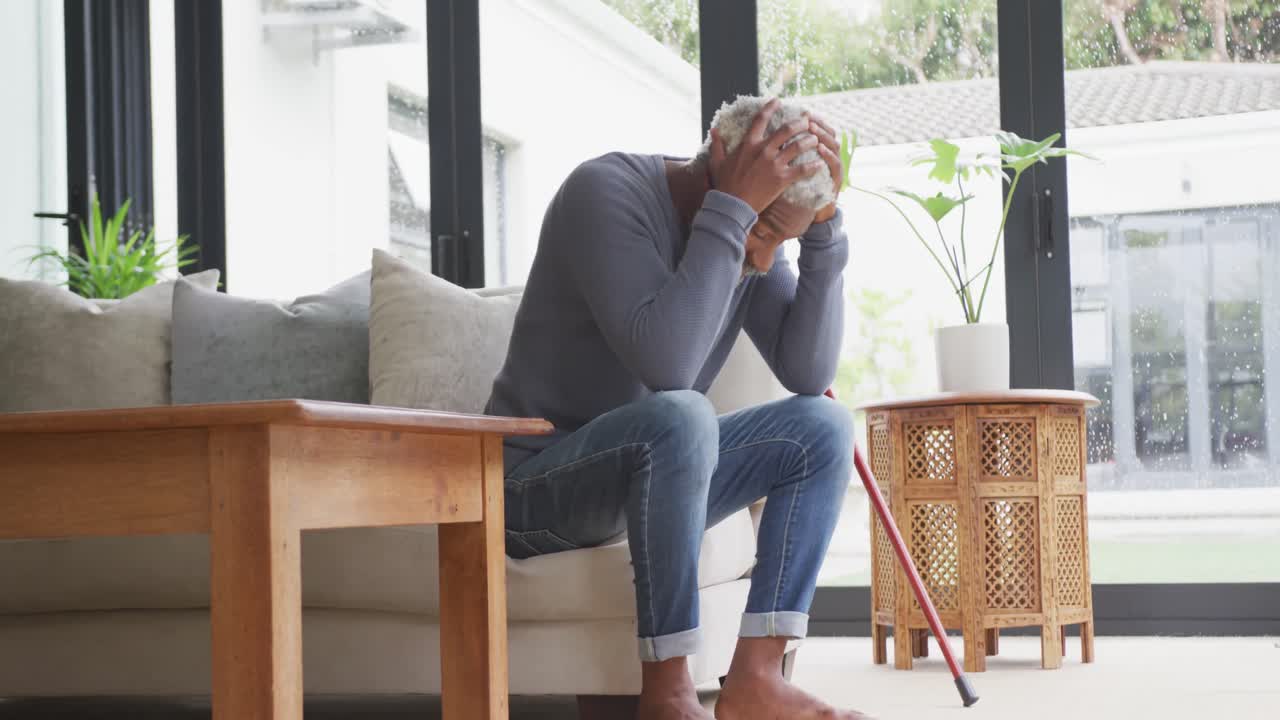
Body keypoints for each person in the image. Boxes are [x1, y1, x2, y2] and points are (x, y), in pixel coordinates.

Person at [486, 98, 867, 720]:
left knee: (822, 425)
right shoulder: (604, 193)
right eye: (765, 230)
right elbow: (669, 368)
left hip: (650, 480)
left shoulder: (744, 237)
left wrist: (821, 234)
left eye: (783, 238)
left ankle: (757, 679)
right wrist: (737, 213)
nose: (765, 259)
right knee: (684, 412)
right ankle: (665, 691)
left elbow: (808, 372)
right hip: (534, 486)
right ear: (720, 154)